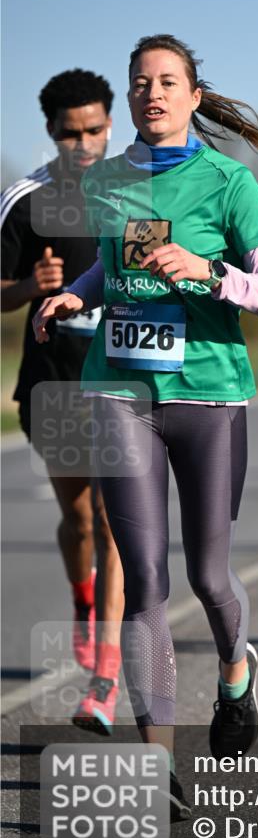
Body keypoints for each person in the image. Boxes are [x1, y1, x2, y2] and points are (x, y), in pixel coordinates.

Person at [33, 35, 258, 820]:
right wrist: (79, 294)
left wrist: (210, 272)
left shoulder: (228, 183)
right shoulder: (108, 180)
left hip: (208, 397)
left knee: (208, 577)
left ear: (192, 96)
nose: (152, 93)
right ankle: (156, 764)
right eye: (140, 82)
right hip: (118, 392)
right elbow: (113, 265)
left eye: (167, 81)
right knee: (144, 579)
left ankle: (236, 673)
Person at [1, 69, 124, 733]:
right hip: (53, 385)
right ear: (51, 130)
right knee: (79, 521)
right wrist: (29, 286)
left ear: (110, 125)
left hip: (122, 385)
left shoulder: (135, 191)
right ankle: (83, 597)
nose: (84, 144)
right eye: (71, 134)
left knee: (110, 523)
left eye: (95, 130)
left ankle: (104, 678)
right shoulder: (25, 199)